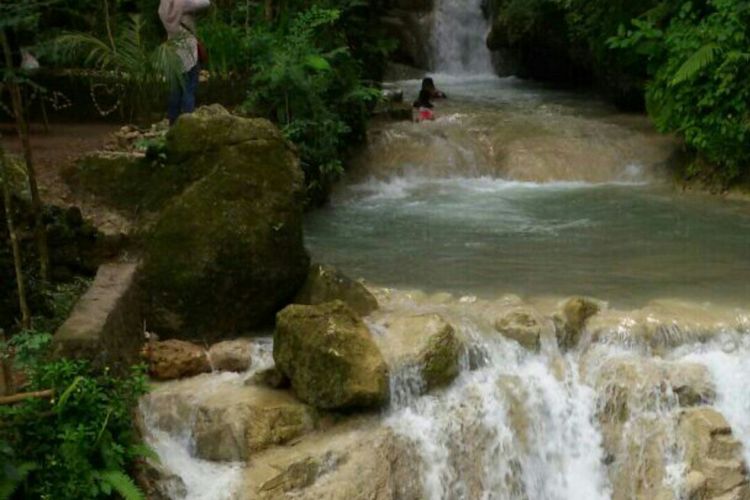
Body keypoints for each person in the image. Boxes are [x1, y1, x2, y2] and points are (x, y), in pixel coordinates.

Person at [159, 0, 211, 124]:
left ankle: (173, 122)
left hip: (173, 50)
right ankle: (188, 123)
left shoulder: (163, 6)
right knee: (189, 89)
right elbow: (206, 3)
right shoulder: (184, 3)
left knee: (175, 90)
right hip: (189, 51)